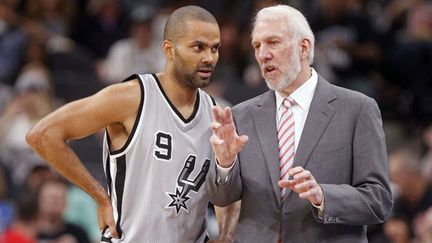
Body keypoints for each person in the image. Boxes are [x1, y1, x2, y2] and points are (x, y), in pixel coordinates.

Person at [26, 5, 222, 242]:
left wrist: (227, 235)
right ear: (169, 50)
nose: (209, 58)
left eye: (215, 48)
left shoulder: (217, 114)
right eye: (198, 47)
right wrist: (99, 196)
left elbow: (226, 191)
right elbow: (42, 135)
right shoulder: (132, 97)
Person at [210, 4, 393, 242]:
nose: (263, 54)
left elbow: (379, 200)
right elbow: (222, 198)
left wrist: (322, 196)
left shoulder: (357, 109)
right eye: (257, 45)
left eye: (273, 42)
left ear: (303, 47)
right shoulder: (240, 115)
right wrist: (224, 164)